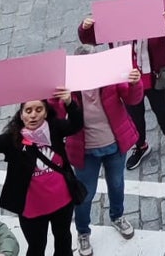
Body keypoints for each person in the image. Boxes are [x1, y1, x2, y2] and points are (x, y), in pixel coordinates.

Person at [79, 0, 165, 170]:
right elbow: (89, 39)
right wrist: (86, 27)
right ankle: (141, 145)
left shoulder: (154, 16)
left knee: (163, 111)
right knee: (135, 115)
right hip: (126, 79)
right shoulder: (111, 21)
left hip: (153, 75)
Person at [0, 92, 81, 256]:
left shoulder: (54, 127)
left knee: (63, 241)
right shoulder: (12, 139)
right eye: (28, 111)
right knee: (36, 247)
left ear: (46, 112)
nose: (33, 115)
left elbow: (76, 124)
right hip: (32, 209)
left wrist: (70, 103)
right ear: (21, 115)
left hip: (63, 202)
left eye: (38, 109)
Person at [59, 64, 143, 255]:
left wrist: (135, 83)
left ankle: (117, 216)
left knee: (116, 183)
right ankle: (82, 232)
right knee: (85, 194)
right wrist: (63, 100)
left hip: (114, 145)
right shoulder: (69, 88)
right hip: (85, 151)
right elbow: (55, 112)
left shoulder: (111, 77)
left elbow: (133, 98)